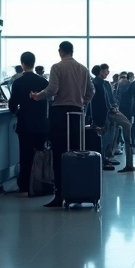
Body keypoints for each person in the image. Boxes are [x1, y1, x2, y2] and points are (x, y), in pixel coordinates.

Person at [31, 41, 94, 208]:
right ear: (72, 51)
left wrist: (37, 96)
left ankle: (60, 194)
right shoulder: (83, 68)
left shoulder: (57, 67)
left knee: (59, 153)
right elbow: (91, 91)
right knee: (76, 151)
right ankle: (77, 191)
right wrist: (81, 101)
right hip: (77, 113)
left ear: (60, 52)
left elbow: (52, 89)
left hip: (60, 113)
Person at [8, 52, 47, 195]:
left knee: (25, 155)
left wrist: (17, 112)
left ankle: (24, 185)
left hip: (25, 124)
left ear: (22, 63)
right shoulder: (43, 82)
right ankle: (39, 184)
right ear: (34, 63)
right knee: (40, 154)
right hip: (41, 123)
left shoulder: (18, 82)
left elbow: (13, 104)